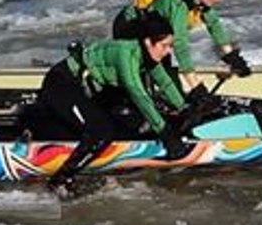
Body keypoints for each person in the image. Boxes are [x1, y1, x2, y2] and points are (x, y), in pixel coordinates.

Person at [32, 11, 192, 192]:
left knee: (131, 120)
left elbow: (165, 82)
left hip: (85, 91)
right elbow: (138, 93)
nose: (169, 51)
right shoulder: (125, 53)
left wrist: (186, 108)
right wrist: (165, 132)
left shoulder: (148, 54)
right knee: (101, 132)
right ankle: (60, 180)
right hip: (62, 85)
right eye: (165, 46)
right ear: (148, 42)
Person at [112, 0, 251, 92]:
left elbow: (214, 25)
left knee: (167, 71)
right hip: (129, 28)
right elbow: (180, 46)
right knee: (153, 70)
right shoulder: (177, 5)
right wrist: (197, 88)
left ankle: (176, 101)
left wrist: (232, 57)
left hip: (154, 33)